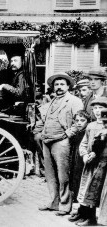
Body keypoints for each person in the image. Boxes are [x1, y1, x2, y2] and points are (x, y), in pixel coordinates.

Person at [37, 72, 83, 216]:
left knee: (63, 175)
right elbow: (42, 120)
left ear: (68, 86)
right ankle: (54, 202)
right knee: (50, 175)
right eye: (56, 84)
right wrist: (39, 133)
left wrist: (68, 134)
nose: (59, 87)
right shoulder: (50, 102)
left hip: (62, 141)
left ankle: (65, 205)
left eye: (62, 84)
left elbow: (80, 122)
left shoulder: (74, 101)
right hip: (47, 140)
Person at [68, 98, 107, 226]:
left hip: (102, 164)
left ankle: (92, 218)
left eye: (101, 108)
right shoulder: (91, 126)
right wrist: (84, 154)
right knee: (85, 188)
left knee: (95, 190)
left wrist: (96, 154)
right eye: (95, 108)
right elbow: (84, 143)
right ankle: (84, 214)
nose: (97, 111)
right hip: (89, 164)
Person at [70, 110, 91, 202]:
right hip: (76, 160)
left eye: (82, 120)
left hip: (82, 160)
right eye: (77, 120)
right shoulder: (77, 133)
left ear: (88, 121)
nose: (79, 123)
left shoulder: (86, 133)